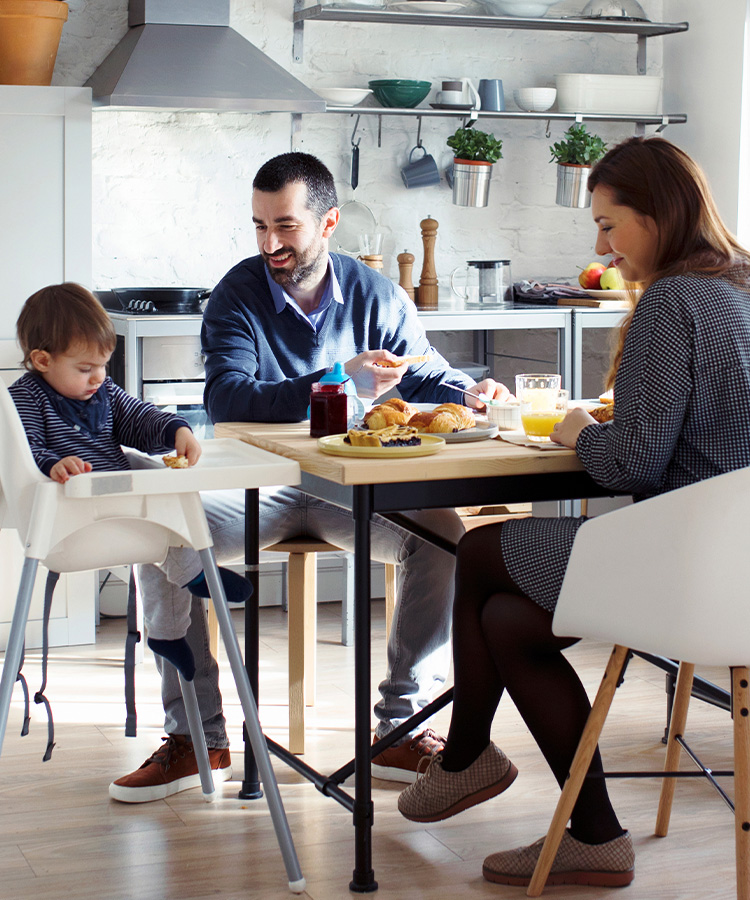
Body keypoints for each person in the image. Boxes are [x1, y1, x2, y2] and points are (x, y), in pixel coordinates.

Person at [397, 136, 750, 887]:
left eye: (608, 224)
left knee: (481, 551)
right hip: (739, 574)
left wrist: (578, 429)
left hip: (681, 568)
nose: (601, 248)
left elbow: (632, 464)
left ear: (657, 215)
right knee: (508, 622)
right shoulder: (742, 286)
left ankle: (466, 756)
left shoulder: (674, 301)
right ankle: (593, 838)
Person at [110, 151, 511, 802]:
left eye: (285, 226)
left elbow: (425, 373)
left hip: (348, 490)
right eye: (259, 226)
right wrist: (339, 378)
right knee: (160, 530)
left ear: (329, 223)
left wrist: (472, 393)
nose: (270, 242)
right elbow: (229, 400)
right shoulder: (236, 296)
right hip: (259, 488)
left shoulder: (377, 294)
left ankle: (403, 730)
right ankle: (195, 738)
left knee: (446, 536)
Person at [10, 283, 253, 690]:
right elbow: (24, 447)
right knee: (168, 534)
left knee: (171, 504)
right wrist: (53, 464)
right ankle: (196, 578)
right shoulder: (26, 398)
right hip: (71, 517)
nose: (98, 377)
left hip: (120, 504)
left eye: (103, 365)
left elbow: (139, 417)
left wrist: (176, 430)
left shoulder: (103, 392)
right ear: (42, 360)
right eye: (85, 368)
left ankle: (167, 634)